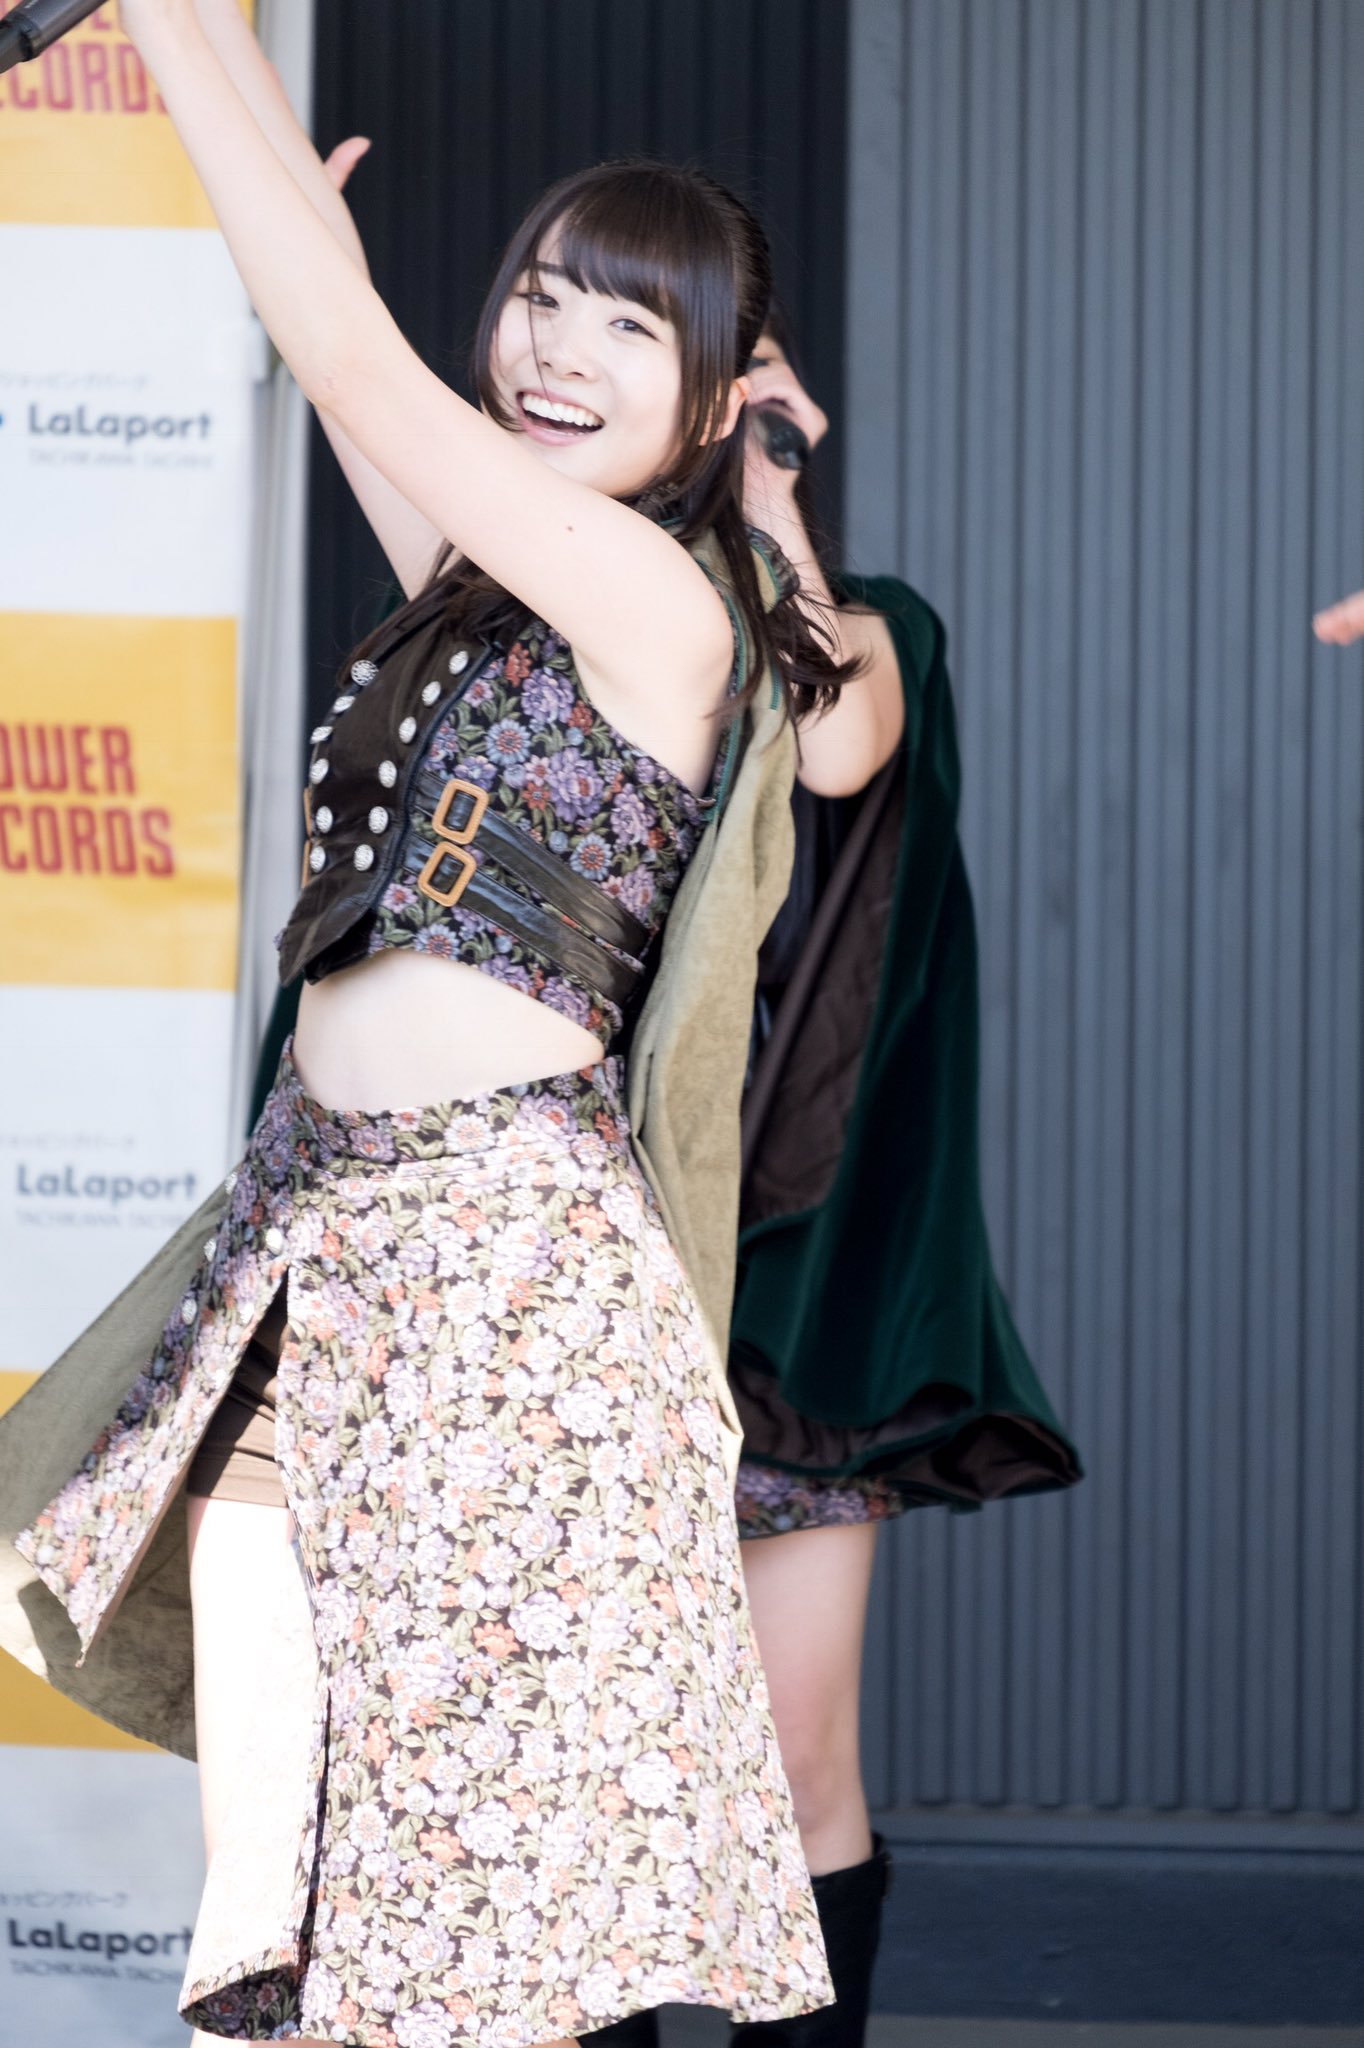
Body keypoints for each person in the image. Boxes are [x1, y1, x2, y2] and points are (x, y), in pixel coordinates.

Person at [0, 5, 921, 2046]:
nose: (555, 346)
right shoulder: (483, 582)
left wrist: (169, 25)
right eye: (539, 295)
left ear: (711, 405)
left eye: (626, 325)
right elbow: (324, 314)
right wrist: (224, 67)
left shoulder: (658, 609)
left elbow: (349, 355)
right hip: (314, 1248)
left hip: (502, 1288)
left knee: (469, 1921)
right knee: (296, 1896)